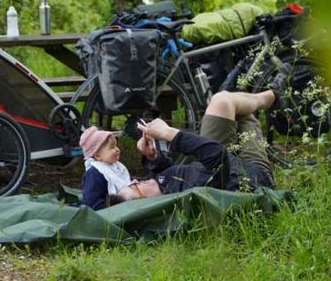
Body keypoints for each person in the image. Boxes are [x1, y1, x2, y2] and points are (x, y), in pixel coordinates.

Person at [116, 64, 291, 200]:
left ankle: (270, 96)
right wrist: (169, 133)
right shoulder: (192, 194)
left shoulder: (162, 189)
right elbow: (216, 155)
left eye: (132, 182)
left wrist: (153, 157)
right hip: (249, 172)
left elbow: (169, 174)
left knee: (222, 101)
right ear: (146, 203)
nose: (136, 181)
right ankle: (273, 96)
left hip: (219, 161)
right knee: (232, 105)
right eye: (134, 187)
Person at [80, 126, 132, 210]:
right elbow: (92, 200)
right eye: (112, 147)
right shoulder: (94, 173)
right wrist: (107, 212)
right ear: (98, 155)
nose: (117, 150)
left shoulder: (116, 167)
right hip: (106, 212)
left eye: (116, 146)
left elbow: (121, 182)